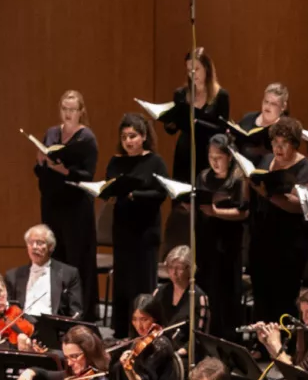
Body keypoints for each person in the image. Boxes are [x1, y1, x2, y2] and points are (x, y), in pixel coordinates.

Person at [32, 90, 100, 319]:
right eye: (64, 109)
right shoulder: (52, 133)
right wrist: (41, 162)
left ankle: (82, 313)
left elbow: (89, 175)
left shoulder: (86, 138)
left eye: (72, 109)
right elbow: (39, 171)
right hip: (52, 203)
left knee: (76, 258)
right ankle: (59, 310)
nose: (67, 113)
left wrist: (66, 171)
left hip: (76, 207)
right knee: (55, 256)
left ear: (81, 111)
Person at [248, 117, 308, 329]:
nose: (278, 148)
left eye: (284, 143)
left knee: (283, 299)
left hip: (289, 244)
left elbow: (303, 206)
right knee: (261, 297)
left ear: (295, 144)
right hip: (262, 239)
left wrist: (269, 195)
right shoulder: (266, 160)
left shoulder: (305, 168)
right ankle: (261, 341)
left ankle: (283, 342)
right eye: (275, 142)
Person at [106, 112, 168, 330]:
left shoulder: (155, 162)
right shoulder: (116, 162)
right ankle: (122, 328)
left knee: (142, 282)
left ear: (143, 136)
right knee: (123, 281)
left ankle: (144, 329)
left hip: (145, 230)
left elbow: (161, 193)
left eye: (132, 136)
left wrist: (135, 195)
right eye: (124, 137)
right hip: (123, 228)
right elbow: (109, 186)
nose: (128, 141)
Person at [196, 133, 252, 335]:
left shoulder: (238, 178)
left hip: (228, 244)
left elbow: (244, 212)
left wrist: (216, 212)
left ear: (229, 157)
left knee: (226, 294)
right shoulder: (204, 177)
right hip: (206, 241)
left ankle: (227, 337)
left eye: (218, 157)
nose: (214, 162)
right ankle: (205, 334)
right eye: (211, 157)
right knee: (207, 289)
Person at [115, 292, 182, 380]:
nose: (139, 325)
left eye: (144, 319)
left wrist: (129, 370)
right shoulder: (138, 340)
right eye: (135, 319)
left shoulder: (161, 346)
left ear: (155, 319)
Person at [162, 46, 229, 187]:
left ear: (207, 68)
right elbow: (171, 129)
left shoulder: (221, 96)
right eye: (189, 70)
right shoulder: (181, 94)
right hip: (185, 151)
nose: (192, 74)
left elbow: (222, 130)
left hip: (207, 152)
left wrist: (198, 122)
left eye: (196, 69)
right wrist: (169, 122)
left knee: (203, 193)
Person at [2, 224, 85, 320]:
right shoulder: (12, 276)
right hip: (22, 325)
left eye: (39, 243)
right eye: (30, 242)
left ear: (51, 247)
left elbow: (76, 313)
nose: (34, 247)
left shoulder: (69, 274)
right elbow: (7, 311)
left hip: (52, 325)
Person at [150, 243, 206, 332]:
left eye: (179, 268)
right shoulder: (160, 292)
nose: (174, 272)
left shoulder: (198, 297)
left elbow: (200, 333)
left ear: (189, 269)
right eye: (171, 267)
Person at [233, 81, 289, 169]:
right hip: (239, 168)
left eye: (273, 104)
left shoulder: (284, 129)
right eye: (266, 101)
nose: (268, 106)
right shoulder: (248, 118)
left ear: (283, 107)